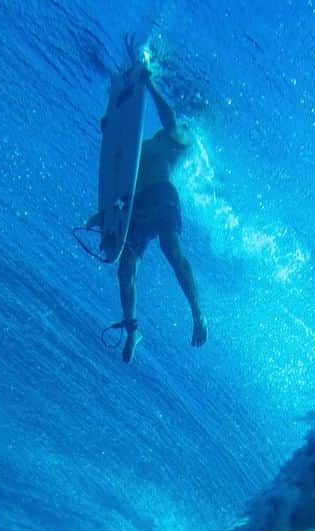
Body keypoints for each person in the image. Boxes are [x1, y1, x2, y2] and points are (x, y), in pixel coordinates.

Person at [93, 65, 208, 362]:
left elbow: (169, 120)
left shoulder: (179, 140)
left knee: (172, 249)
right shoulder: (143, 145)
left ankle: (197, 313)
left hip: (162, 196)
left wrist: (151, 85)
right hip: (136, 205)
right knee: (125, 268)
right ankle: (132, 330)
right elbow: (118, 167)